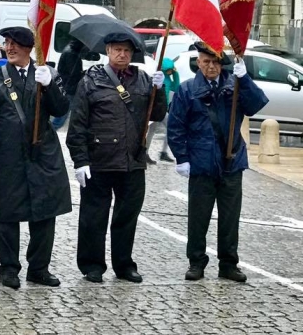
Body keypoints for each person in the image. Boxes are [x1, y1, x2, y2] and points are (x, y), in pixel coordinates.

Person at [0, 26, 71, 290]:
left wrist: (50, 86)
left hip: (42, 155)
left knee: (44, 214)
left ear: (30, 48)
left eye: (16, 44)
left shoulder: (46, 74)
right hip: (6, 156)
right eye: (7, 43)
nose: (10, 48)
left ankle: (38, 268)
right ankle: (8, 269)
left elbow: (62, 109)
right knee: (5, 215)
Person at [67, 32, 167, 284]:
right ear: (107, 51)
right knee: (93, 217)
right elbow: (77, 124)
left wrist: (160, 89)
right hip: (99, 160)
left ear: (132, 53)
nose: (121, 54)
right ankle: (92, 265)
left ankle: (124, 265)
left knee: (126, 217)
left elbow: (157, 112)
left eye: (126, 50)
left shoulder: (144, 79)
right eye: (116, 49)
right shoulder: (91, 80)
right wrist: (80, 160)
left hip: (132, 160)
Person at [167, 42, 268, 283]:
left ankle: (228, 263)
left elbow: (255, 105)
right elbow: (176, 126)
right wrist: (182, 157)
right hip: (202, 163)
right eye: (206, 61)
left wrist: (244, 81)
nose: (211, 66)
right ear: (198, 62)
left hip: (232, 161)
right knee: (198, 217)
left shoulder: (234, 85)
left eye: (215, 62)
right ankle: (196, 261)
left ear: (222, 63)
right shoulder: (188, 89)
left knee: (230, 217)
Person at [145, 57, 179, 164]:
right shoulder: (160, 78)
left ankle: (153, 152)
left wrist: (176, 74)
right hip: (158, 109)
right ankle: (157, 153)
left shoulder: (168, 78)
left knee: (154, 130)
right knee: (168, 128)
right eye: (170, 69)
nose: (171, 71)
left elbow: (177, 87)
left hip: (162, 109)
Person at [51, 39, 85, 131]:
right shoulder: (72, 54)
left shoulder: (70, 50)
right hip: (69, 88)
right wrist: (84, 73)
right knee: (62, 115)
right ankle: (48, 134)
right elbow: (73, 74)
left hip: (67, 85)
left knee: (71, 113)